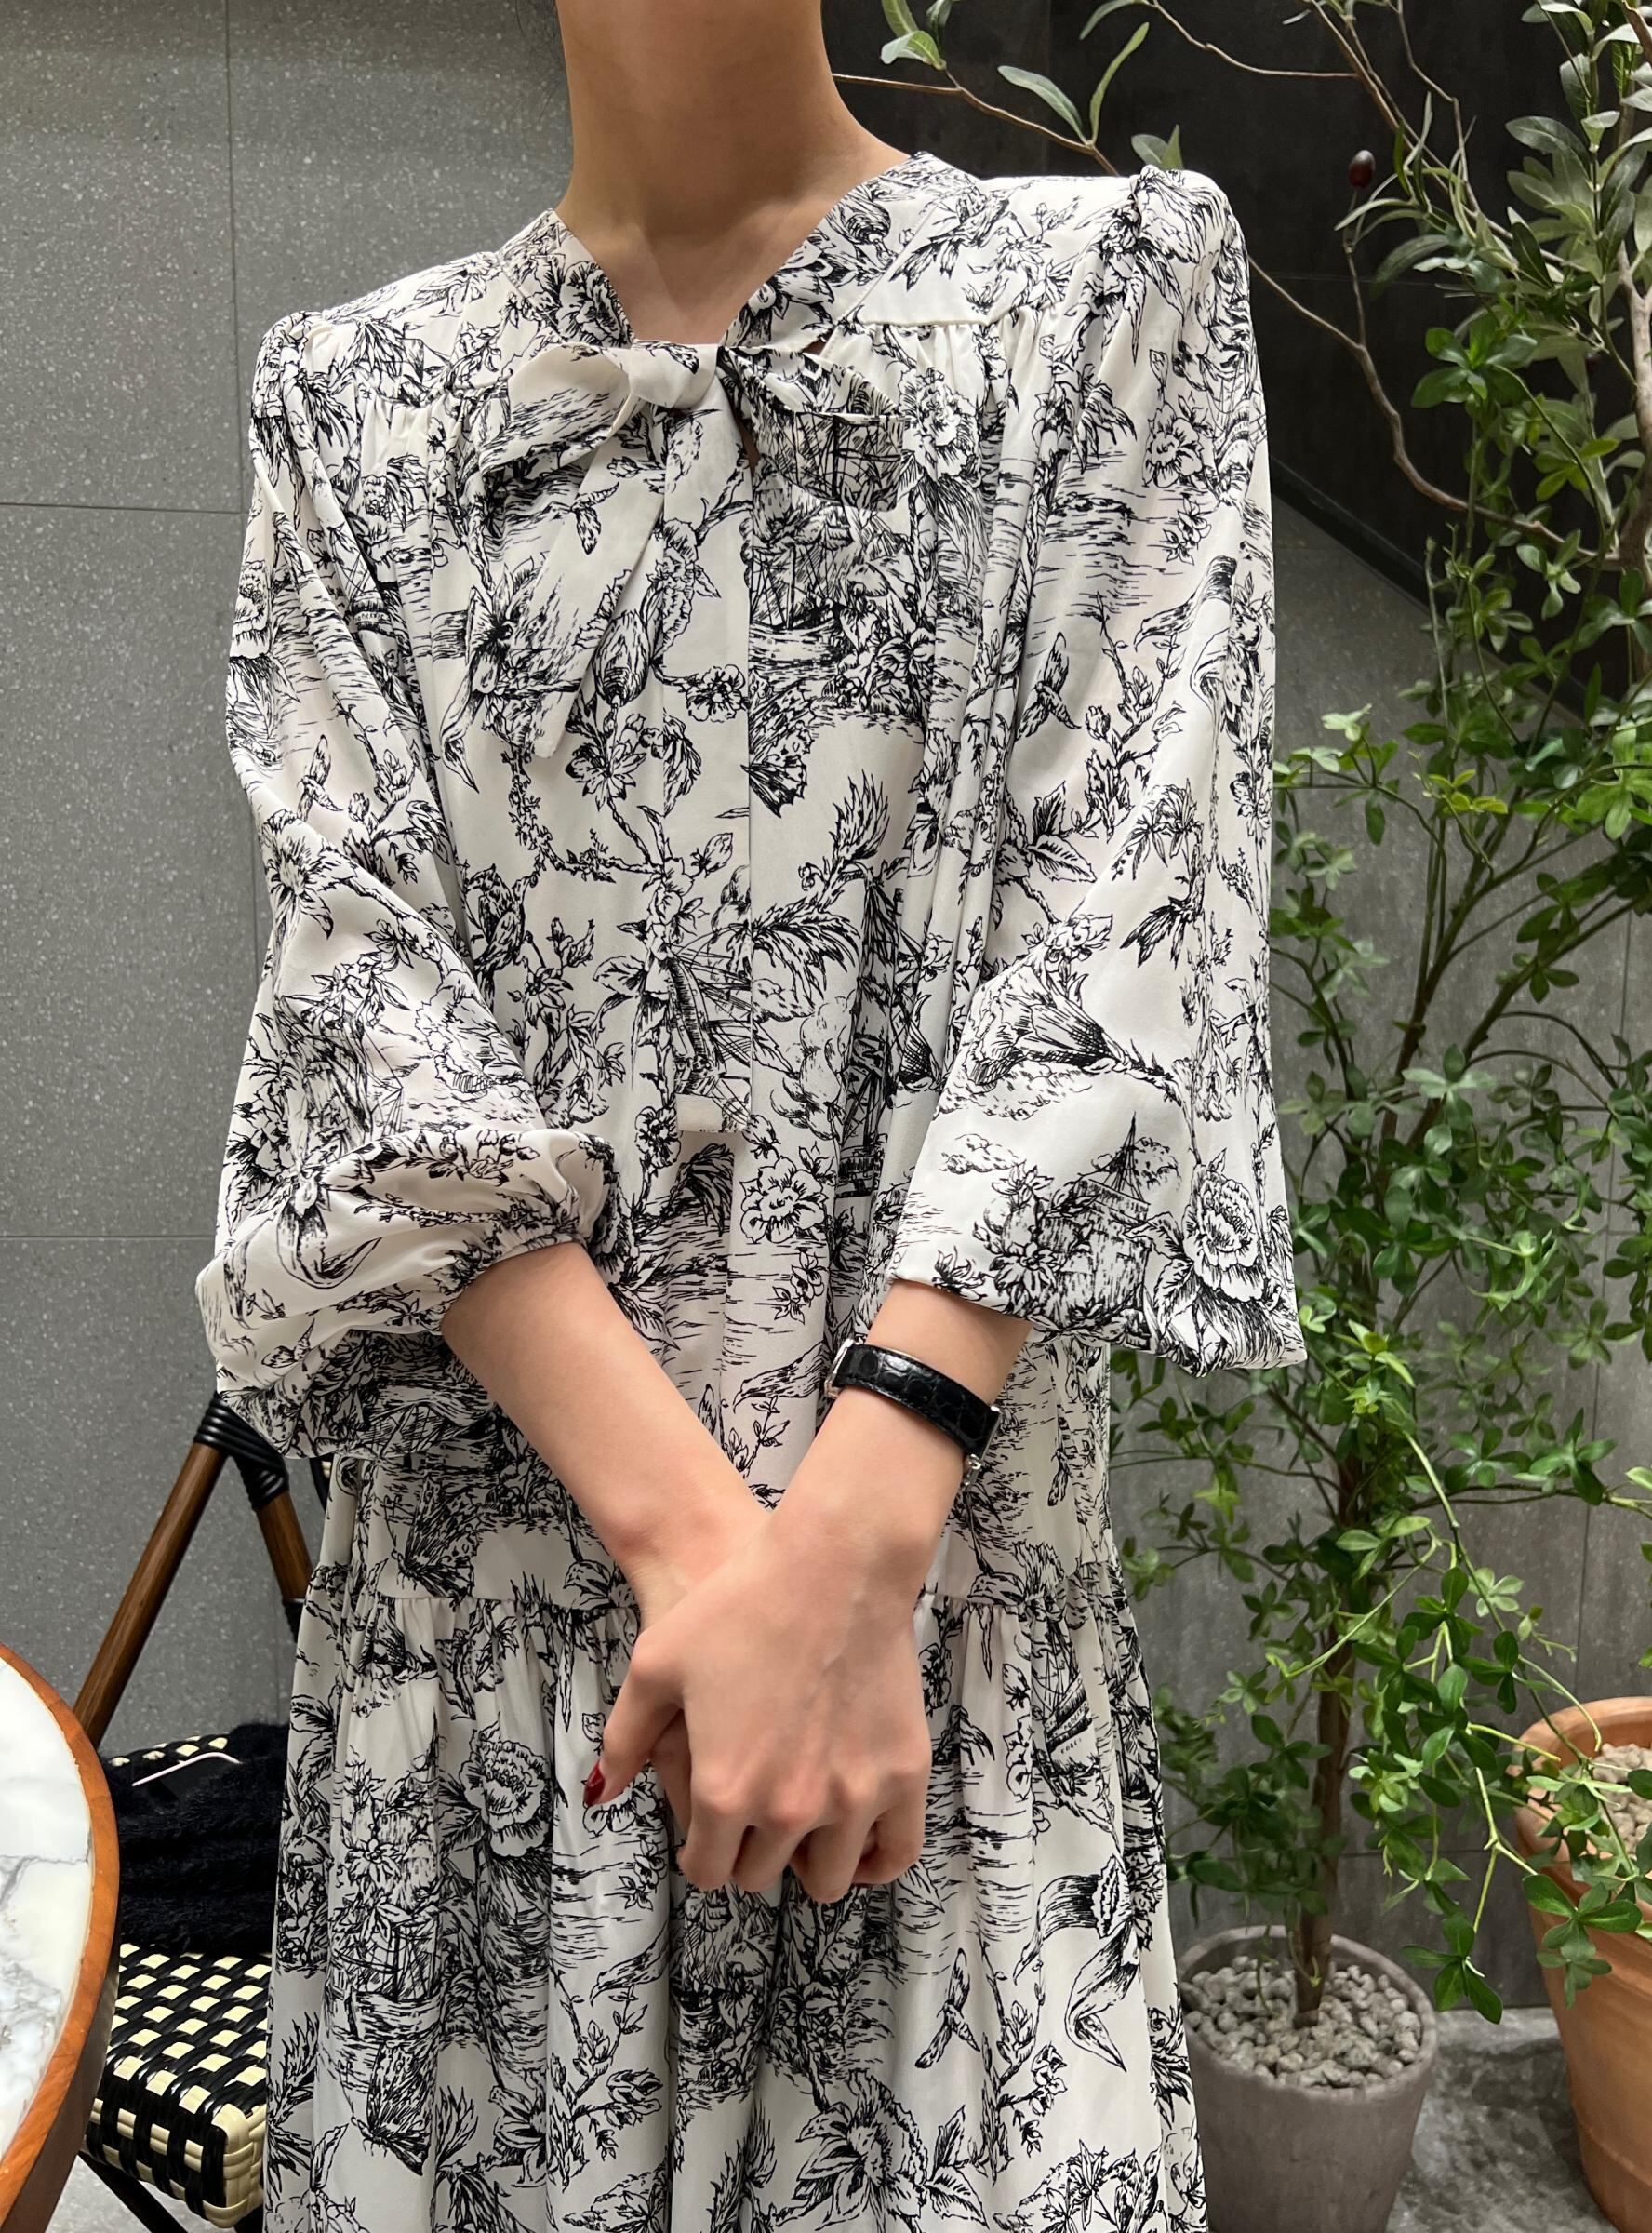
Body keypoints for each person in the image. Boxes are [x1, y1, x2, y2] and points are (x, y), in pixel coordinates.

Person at [193, 0, 1304, 2225]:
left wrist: (846, 1557)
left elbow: (1130, 926)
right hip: (497, 1700)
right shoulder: (355, 399)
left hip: (927, 1658)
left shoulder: (1106, 294)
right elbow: (363, 1014)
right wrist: (714, 1564)